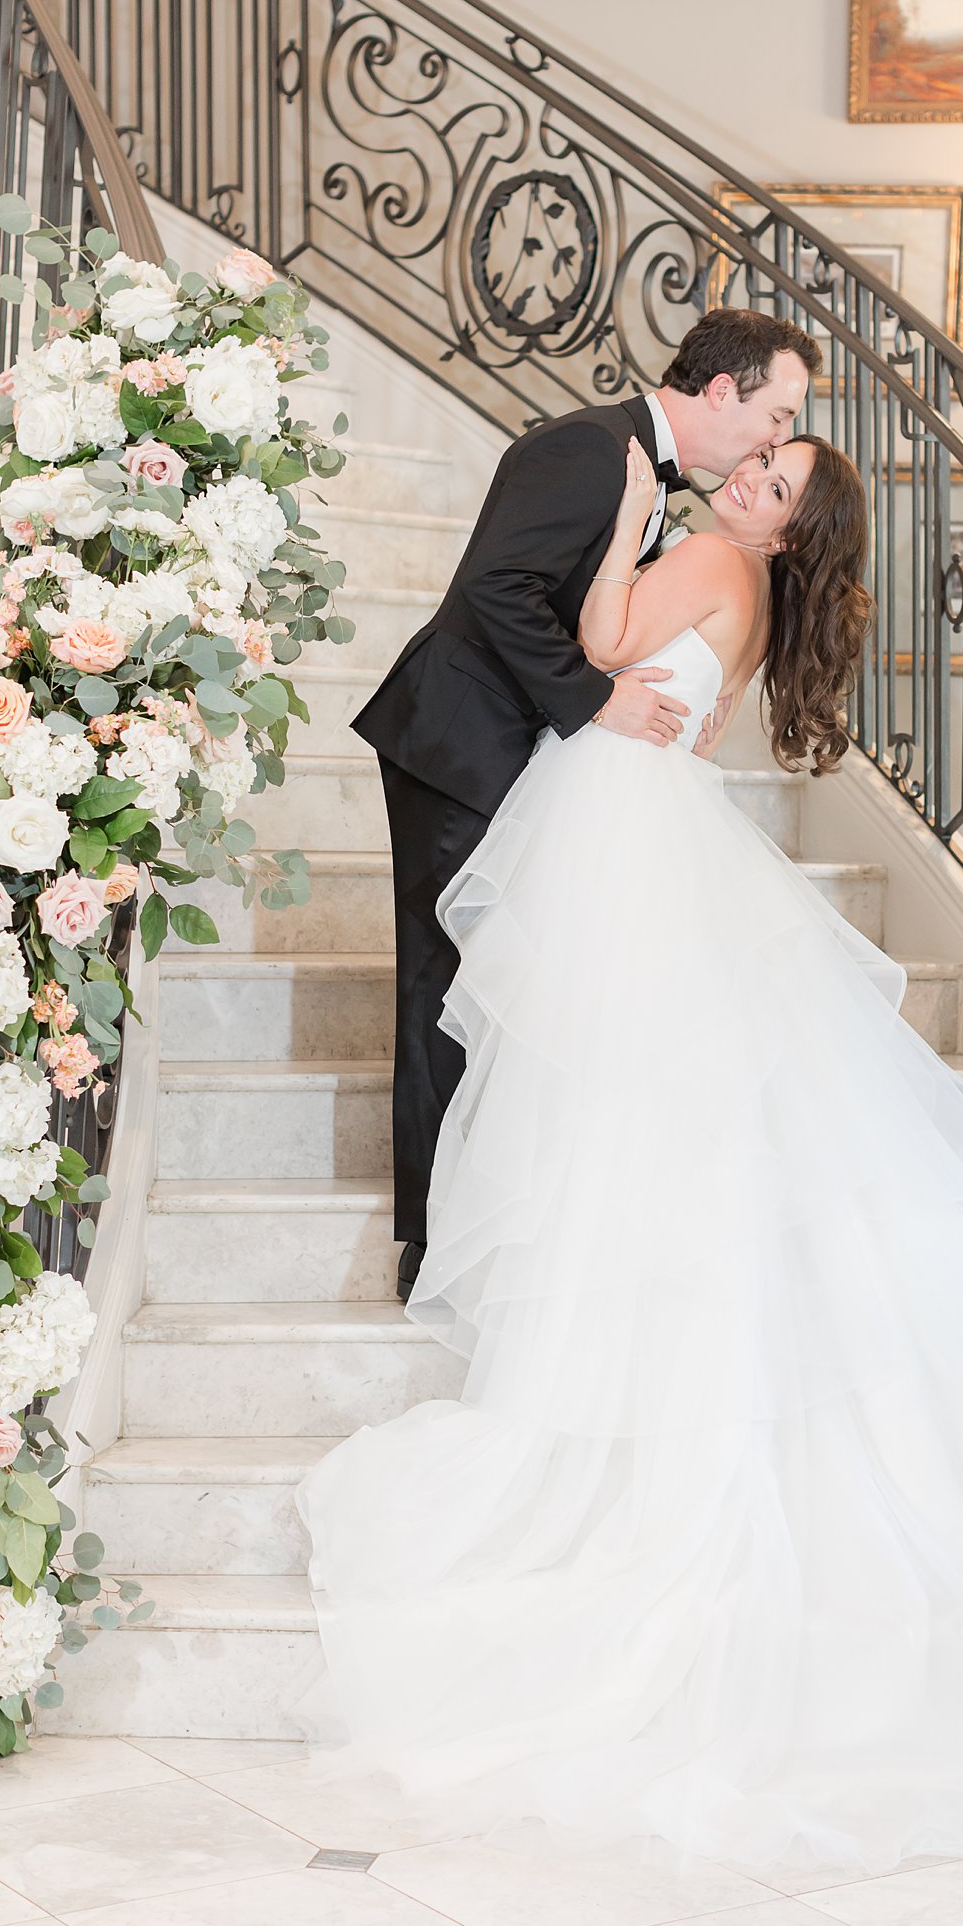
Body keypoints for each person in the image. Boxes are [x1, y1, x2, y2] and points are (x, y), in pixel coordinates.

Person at [284, 430, 963, 1880]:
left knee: (601, 1101)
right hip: (653, 841)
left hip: (623, 847)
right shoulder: (751, 593)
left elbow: (602, 639)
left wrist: (628, 518)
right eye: (752, 468)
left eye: (773, 484)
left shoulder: (696, 555)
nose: (744, 479)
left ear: (786, 529)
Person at [350, 308, 821, 1299]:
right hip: (462, 744)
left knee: (513, 987)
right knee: (444, 986)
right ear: (722, 392)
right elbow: (497, 589)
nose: (773, 439)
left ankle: (495, 1214)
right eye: (775, 414)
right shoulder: (589, 447)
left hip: (526, 757)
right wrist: (598, 696)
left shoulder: (653, 481)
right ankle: (431, 1241)